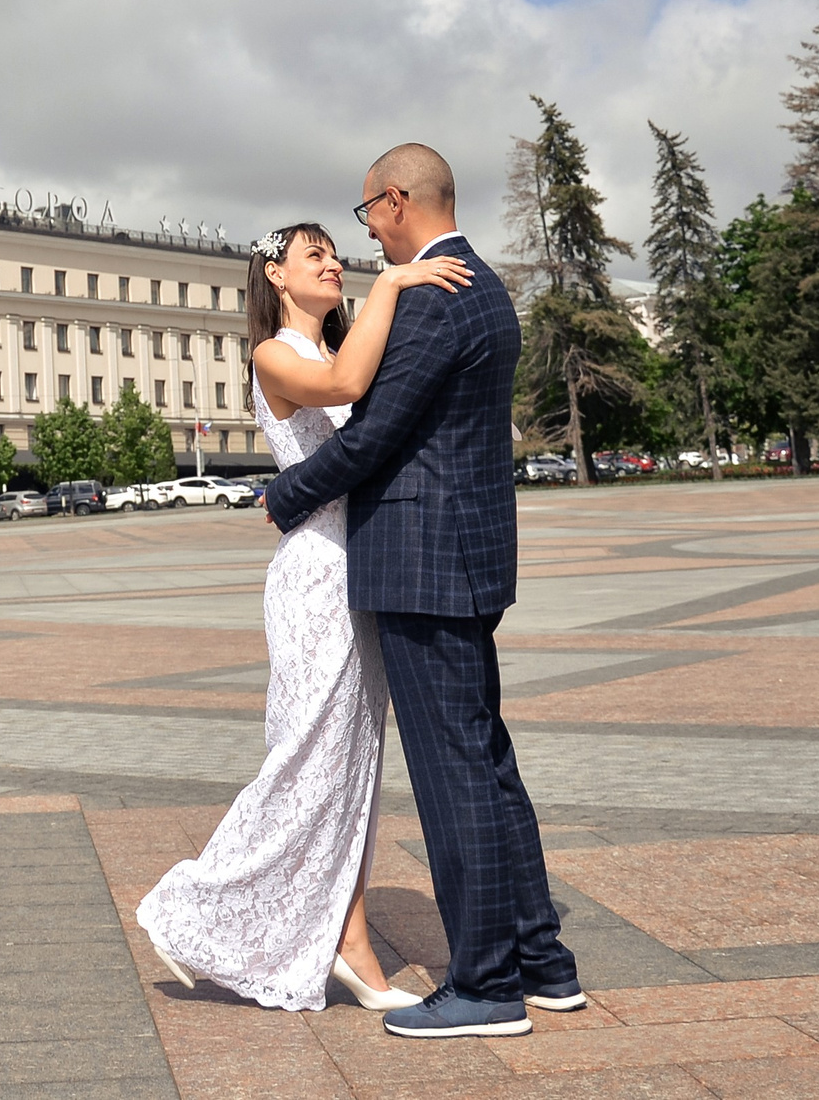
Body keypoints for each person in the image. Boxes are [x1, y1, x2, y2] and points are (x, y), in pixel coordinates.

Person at [262, 143, 582, 1040]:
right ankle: (542, 959)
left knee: (453, 777)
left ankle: (485, 983)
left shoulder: (432, 298)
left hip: (423, 561)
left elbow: (373, 437)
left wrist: (283, 496)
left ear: (396, 200)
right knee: (486, 761)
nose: (365, 232)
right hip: (465, 555)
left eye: (366, 212)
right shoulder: (483, 285)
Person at [135, 224, 471, 1012]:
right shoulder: (273, 354)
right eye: (314, 254)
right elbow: (349, 384)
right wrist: (394, 281)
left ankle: (350, 942)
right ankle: (189, 908)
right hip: (316, 574)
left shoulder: (339, 346)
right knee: (304, 758)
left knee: (353, 763)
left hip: (363, 568)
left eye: (334, 252)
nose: (333, 263)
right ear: (277, 275)